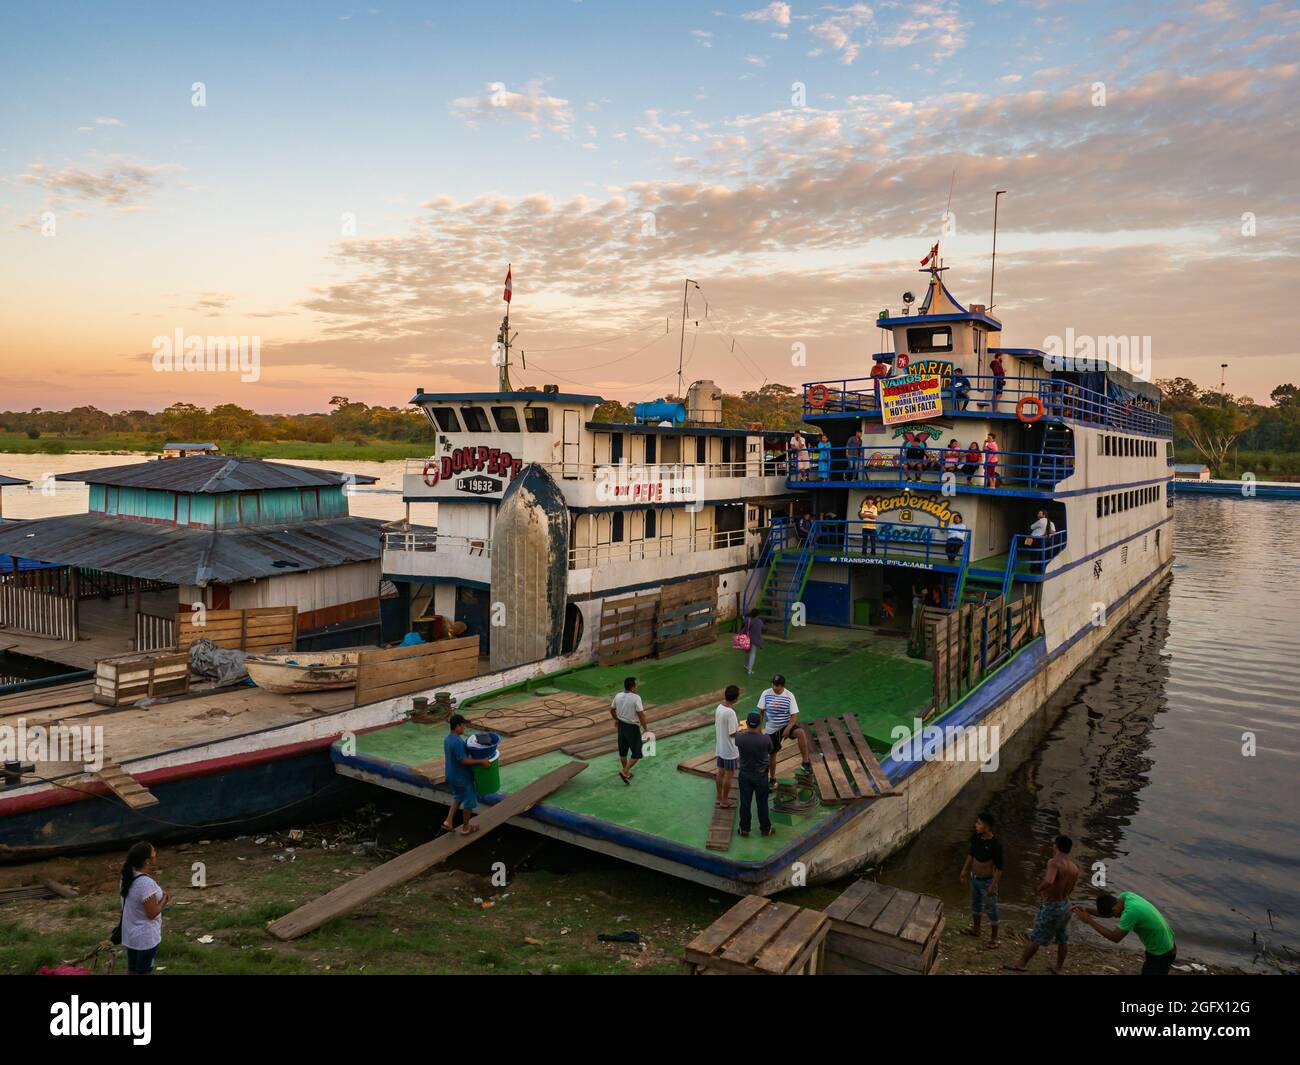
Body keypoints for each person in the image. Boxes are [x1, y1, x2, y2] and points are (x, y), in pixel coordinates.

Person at [1005, 835, 1079, 973]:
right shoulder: (1074, 868)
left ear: (1056, 846)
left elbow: (1049, 881)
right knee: (1062, 938)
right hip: (1066, 905)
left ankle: (1021, 963)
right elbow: (1071, 889)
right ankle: (1058, 967)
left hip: (1053, 906)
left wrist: (1038, 889)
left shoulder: (1054, 862)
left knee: (1036, 937)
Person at [1073, 891, 1177, 975]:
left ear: (1114, 908)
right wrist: (1087, 910)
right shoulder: (1125, 896)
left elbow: (1115, 938)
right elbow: (1109, 913)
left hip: (1161, 953)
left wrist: (1089, 921)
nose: (1116, 917)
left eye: (1114, 915)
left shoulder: (1131, 912)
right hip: (1166, 945)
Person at [119, 841, 167, 976]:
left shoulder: (126, 877)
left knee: (132, 970)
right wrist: (164, 900)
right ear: (147, 861)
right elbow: (151, 913)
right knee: (144, 971)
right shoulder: (146, 883)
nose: (156, 854)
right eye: (153, 852)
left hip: (131, 935)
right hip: (146, 938)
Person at [757, 674, 811, 786]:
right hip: (772, 729)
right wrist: (759, 729)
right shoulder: (765, 694)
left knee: (800, 732)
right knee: (772, 754)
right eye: (773, 684)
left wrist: (788, 728)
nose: (774, 687)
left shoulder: (789, 695)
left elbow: (794, 716)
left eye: (777, 685)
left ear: (782, 686)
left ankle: (805, 762)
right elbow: (761, 712)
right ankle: (772, 779)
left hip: (786, 725)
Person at [959, 811, 1003, 947]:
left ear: (987, 827)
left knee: (991, 909)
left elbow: (1000, 868)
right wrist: (964, 870)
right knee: (976, 905)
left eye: (979, 823)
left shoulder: (995, 844)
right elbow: (971, 854)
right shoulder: (976, 837)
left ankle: (994, 938)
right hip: (974, 879)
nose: (976, 825)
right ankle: (976, 929)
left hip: (987, 881)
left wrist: (992, 886)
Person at [443, 714, 493, 832]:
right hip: (462, 778)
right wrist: (481, 761)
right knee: (469, 802)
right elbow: (463, 760)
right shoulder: (457, 742)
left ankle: (448, 821)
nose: (464, 728)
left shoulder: (447, 739)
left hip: (451, 775)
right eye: (463, 726)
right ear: (458, 726)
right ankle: (466, 828)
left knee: (458, 796)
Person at [736, 710, 774, 838]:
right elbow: (770, 750)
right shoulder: (766, 738)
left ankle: (744, 829)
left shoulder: (740, 738)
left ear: (746, 723)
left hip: (745, 774)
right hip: (761, 775)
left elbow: (738, 740)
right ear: (760, 723)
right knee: (762, 803)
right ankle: (765, 829)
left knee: (745, 803)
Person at [610, 676, 648, 784]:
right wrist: (645, 728)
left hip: (621, 726)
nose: (637, 686)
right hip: (632, 728)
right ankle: (624, 771)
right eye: (636, 685)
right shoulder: (636, 698)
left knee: (623, 752)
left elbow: (611, 710)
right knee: (637, 753)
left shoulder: (618, 696)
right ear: (632, 687)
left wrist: (617, 719)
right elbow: (641, 715)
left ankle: (626, 774)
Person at [714, 685, 740, 809]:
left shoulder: (719, 708)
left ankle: (719, 797)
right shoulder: (731, 713)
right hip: (730, 750)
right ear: (736, 699)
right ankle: (725, 800)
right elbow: (732, 733)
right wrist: (742, 731)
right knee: (729, 775)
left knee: (720, 772)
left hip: (720, 747)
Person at [1025, 509, 1056, 574]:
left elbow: (1031, 527)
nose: (1038, 514)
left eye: (1039, 513)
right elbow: (1053, 531)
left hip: (1036, 539)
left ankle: (1033, 569)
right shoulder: (1051, 522)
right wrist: (1045, 533)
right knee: (1043, 553)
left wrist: (1041, 532)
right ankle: (1041, 567)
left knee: (1034, 554)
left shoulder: (1040, 521)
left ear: (1044, 515)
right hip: (1046, 539)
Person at [739, 608, 764, 674]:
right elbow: (759, 633)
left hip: (746, 639)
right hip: (754, 640)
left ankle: (746, 665)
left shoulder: (747, 620)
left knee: (747, 652)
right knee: (752, 654)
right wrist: (761, 644)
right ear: (758, 615)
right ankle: (750, 670)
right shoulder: (759, 622)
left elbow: (742, 627)